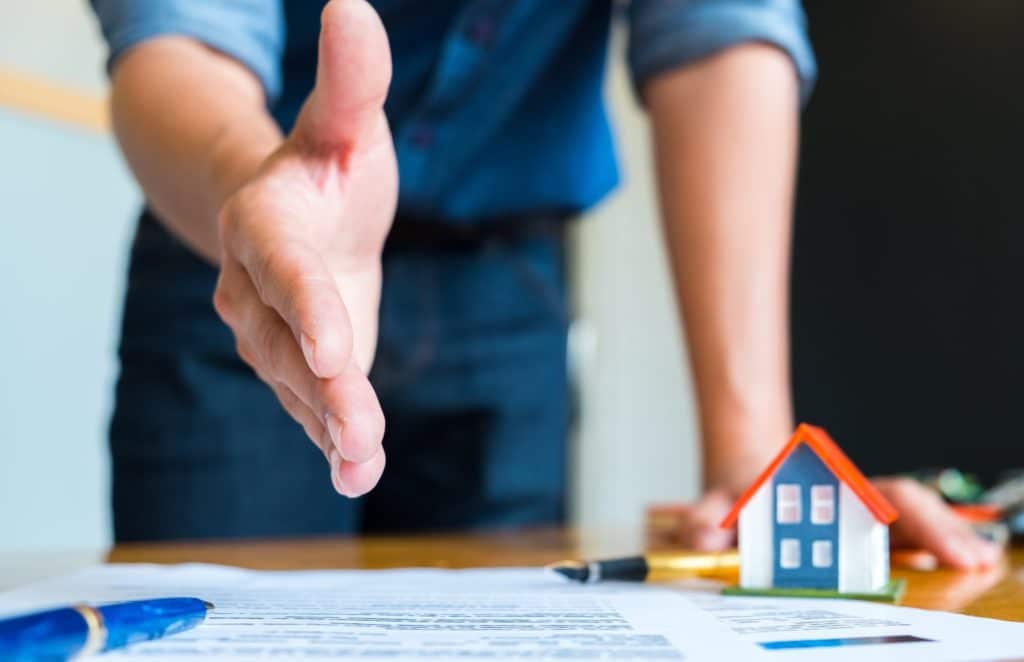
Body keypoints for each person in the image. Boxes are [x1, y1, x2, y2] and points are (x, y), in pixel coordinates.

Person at [88, 0, 998, 567]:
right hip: (243, 265)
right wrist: (264, 191)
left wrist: (757, 461)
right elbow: (179, 32)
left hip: (509, 288)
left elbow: (718, 31)